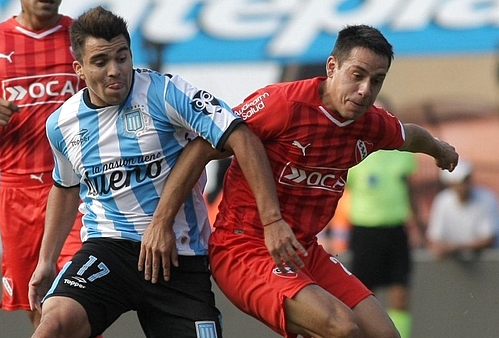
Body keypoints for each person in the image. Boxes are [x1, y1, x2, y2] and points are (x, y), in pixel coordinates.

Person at [155, 25, 459, 338]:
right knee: (341, 327)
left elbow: (410, 136)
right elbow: (201, 147)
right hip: (244, 248)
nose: (365, 90)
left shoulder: (371, 124)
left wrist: (440, 150)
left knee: (385, 335)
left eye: (376, 80)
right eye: (357, 75)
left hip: (303, 251)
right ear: (332, 67)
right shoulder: (283, 105)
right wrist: (161, 222)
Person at [27, 6, 286, 338]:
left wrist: (272, 220)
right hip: (109, 250)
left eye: (122, 57)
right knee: (54, 325)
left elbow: (241, 135)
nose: (115, 71)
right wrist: (46, 260)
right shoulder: (62, 124)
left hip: (178, 255)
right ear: (79, 68)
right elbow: (65, 188)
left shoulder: (164, 92)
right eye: (100, 62)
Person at [0, 0, 85, 327]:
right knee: (39, 308)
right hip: (18, 194)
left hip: (76, 193)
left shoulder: (81, 35)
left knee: (75, 300)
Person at [346, 137, 423, 337]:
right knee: (362, 296)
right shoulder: (355, 152)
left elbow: (409, 189)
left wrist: (419, 225)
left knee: (400, 295)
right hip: (365, 231)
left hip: (396, 229)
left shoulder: (402, 152)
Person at [427, 160, 499, 260]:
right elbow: (435, 238)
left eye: (467, 179)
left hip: (486, 263)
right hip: (453, 265)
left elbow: (489, 238)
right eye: (461, 181)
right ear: (451, 184)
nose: (465, 185)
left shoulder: (487, 198)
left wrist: (454, 248)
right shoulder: (442, 201)